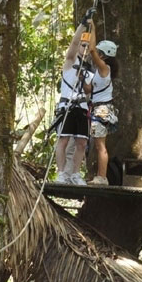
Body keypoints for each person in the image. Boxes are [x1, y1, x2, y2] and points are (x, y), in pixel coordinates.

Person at [54, 24, 95, 186]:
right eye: (82, 45)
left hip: (82, 107)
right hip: (67, 107)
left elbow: (88, 91)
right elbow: (72, 45)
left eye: (87, 46)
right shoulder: (70, 62)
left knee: (82, 142)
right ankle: (61, 173)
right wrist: (83, 25)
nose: (84, 48)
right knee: (63, 140)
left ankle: (75, 174)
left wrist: (84, 81)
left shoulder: (89, 70)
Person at [87, 35, 119, 186]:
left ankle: (102, 177)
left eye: (99, 52)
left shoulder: (105, 68)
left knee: (100, 145)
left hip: (102, 109)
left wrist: (92, 27)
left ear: (103, 55)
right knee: (98, 144)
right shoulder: (100, 73)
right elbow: (89, 89)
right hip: (98, 109)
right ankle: (100, 176)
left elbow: (91, 50)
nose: (96, 54)